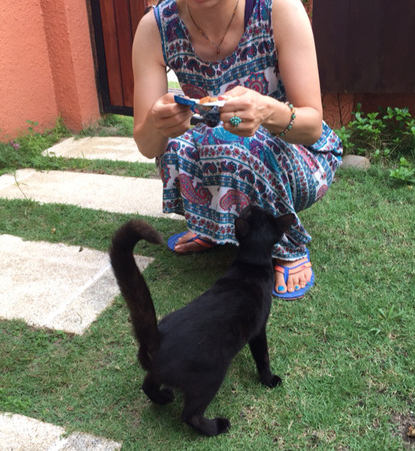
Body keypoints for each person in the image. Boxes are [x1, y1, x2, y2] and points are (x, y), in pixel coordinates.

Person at [132, 0, 342, 300]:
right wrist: (159, 123)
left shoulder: (279, 9)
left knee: (242, 144)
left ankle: (286, 245)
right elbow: (147, 146)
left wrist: (267, 111)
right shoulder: (156, 27)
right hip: (222, 149)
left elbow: (312, 127)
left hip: (297, 154)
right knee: (177, 146)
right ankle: (216, 226)